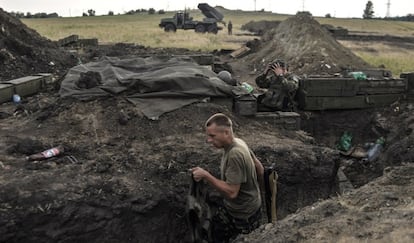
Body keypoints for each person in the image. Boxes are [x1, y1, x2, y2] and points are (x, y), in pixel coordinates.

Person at [191, 113, 264, 243]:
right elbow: (259, 168)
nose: (208, 140)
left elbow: (231, 193)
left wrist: (206, 175)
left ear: (226, 132)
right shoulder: (239, 142)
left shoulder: (235, 155)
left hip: (243, 215)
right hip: (248, 207)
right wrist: (252, 190)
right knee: (217, 228)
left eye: (212, 136)